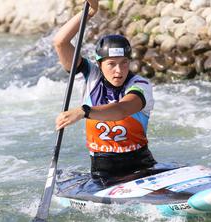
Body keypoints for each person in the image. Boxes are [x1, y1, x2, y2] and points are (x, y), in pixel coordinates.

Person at [54, 0, 156, 186]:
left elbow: (121, 110)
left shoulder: (140, 85)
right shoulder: (90, 76)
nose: (119, 70)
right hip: (103, 173)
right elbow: (60, 43)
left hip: (141, 168)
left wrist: (84, 111)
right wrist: (90, 12)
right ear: (100, 64)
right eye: (111, 64)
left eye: (124, 62)